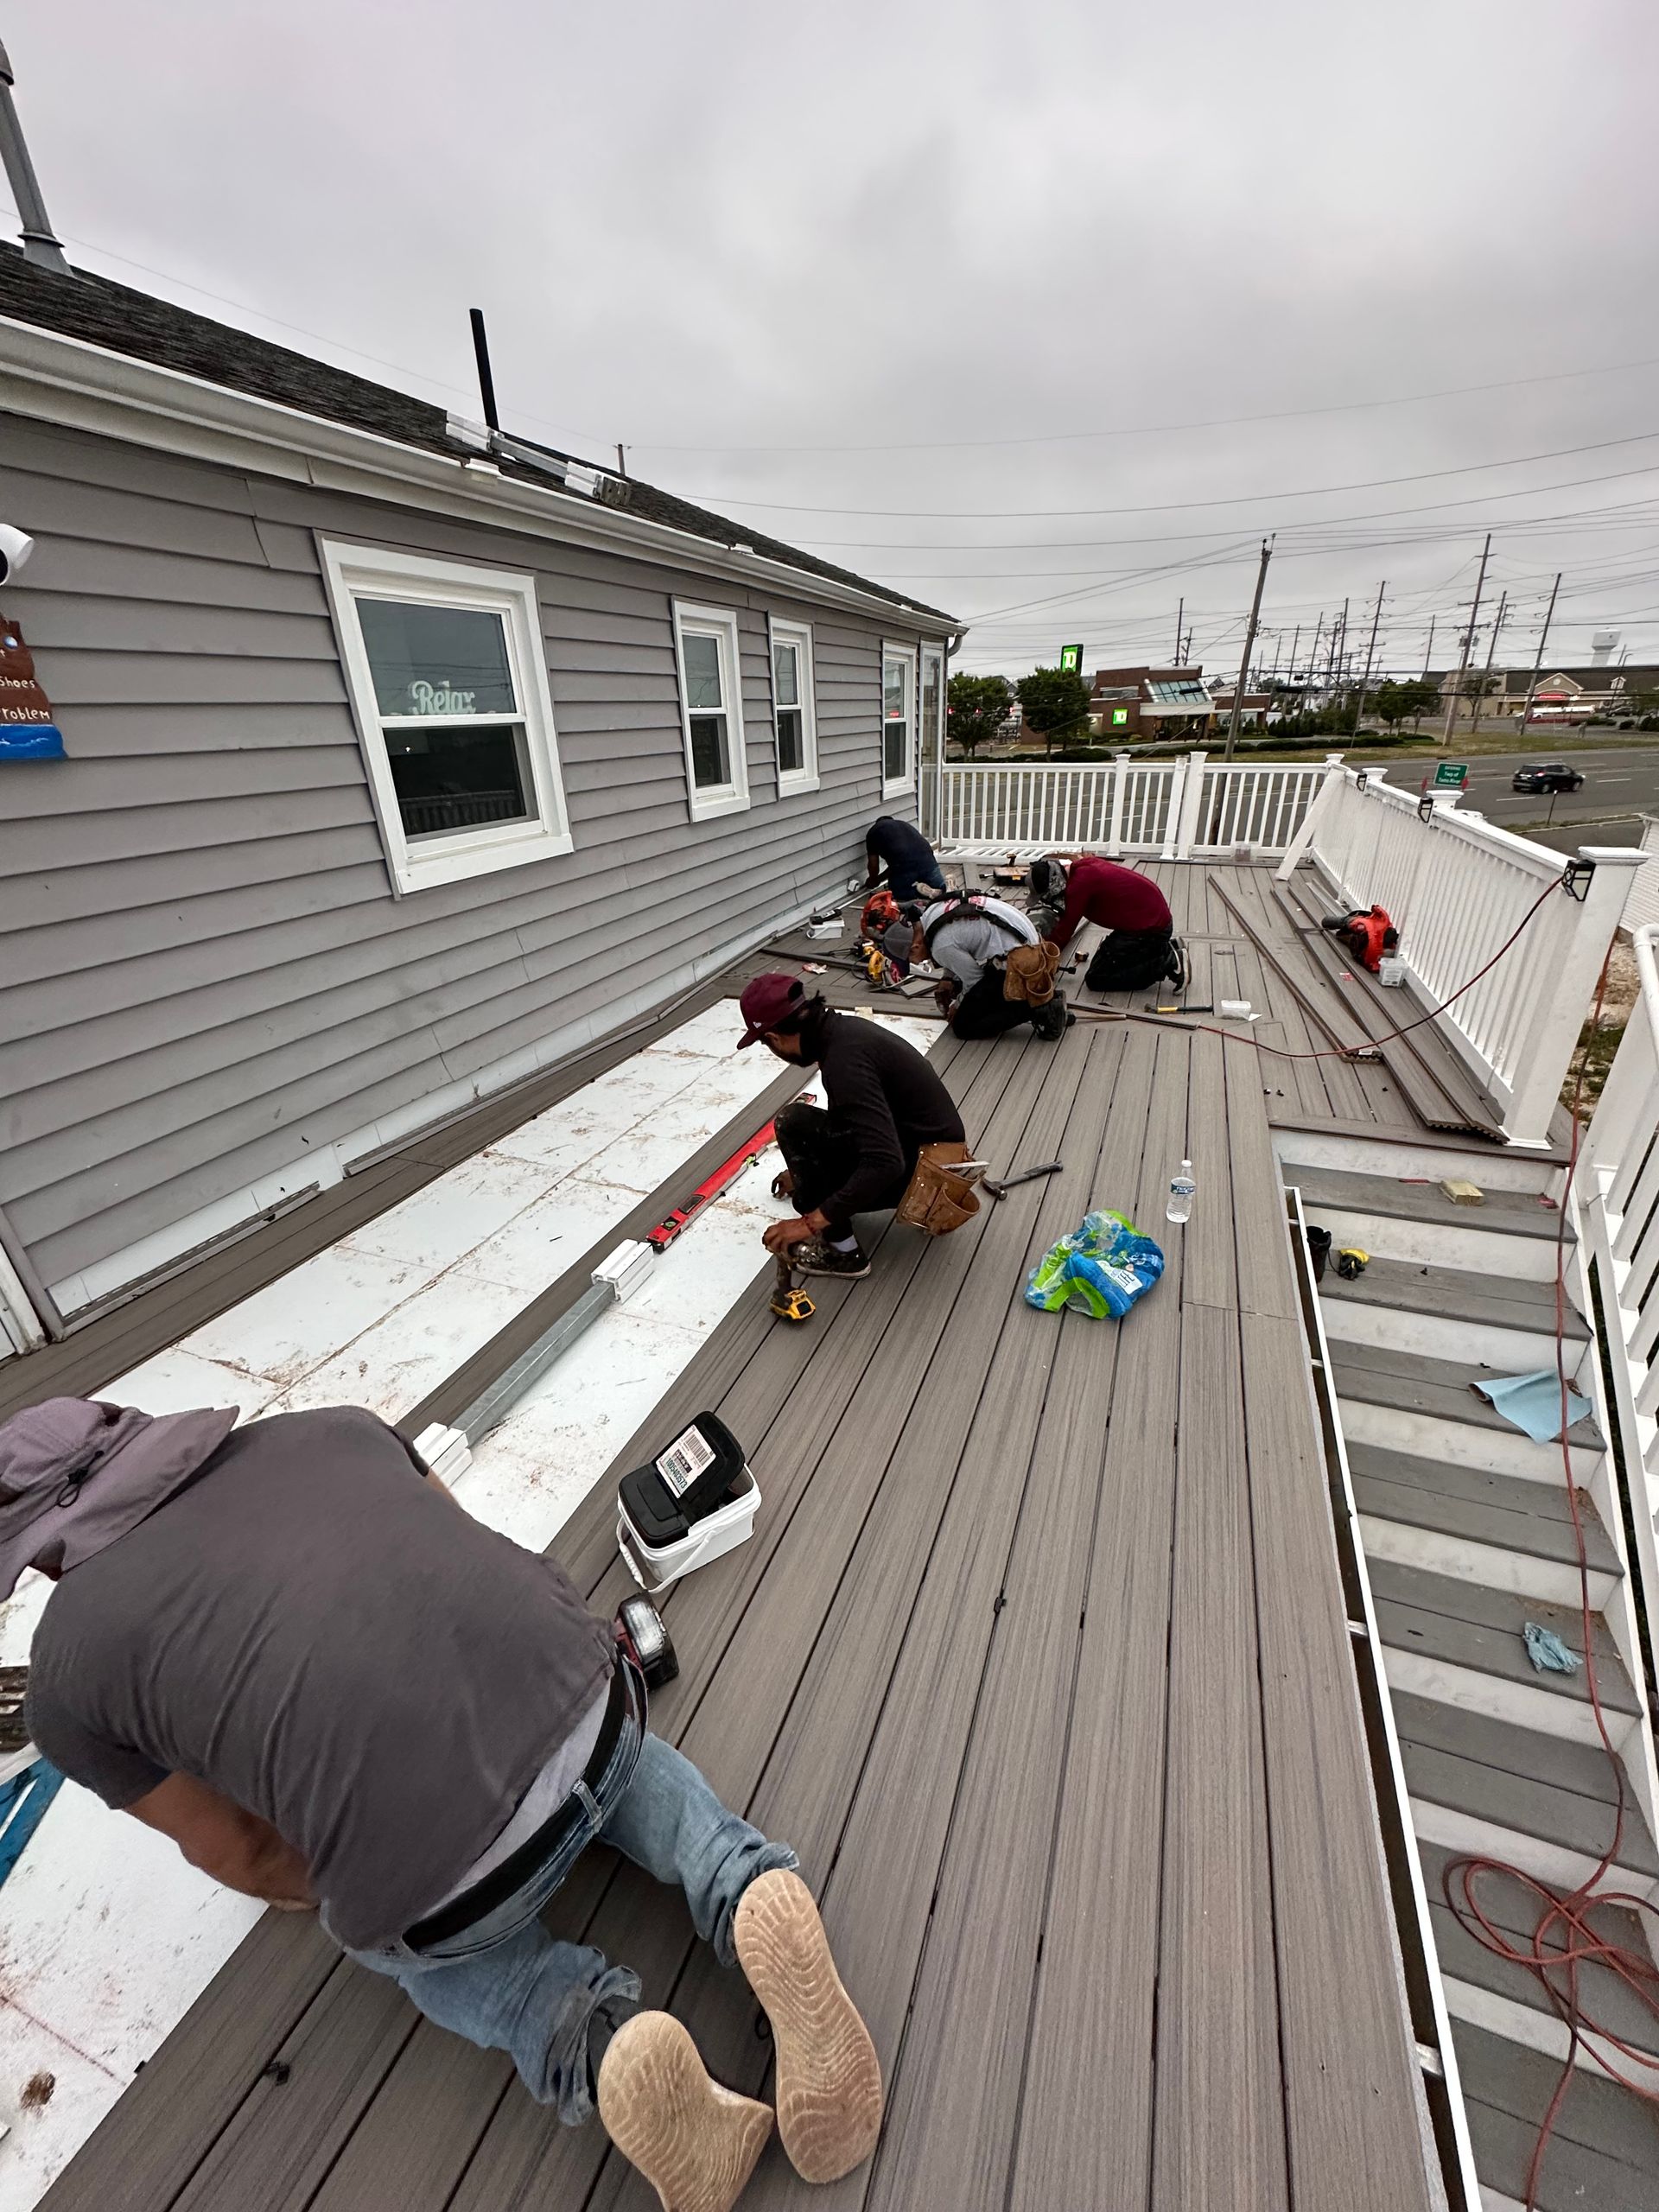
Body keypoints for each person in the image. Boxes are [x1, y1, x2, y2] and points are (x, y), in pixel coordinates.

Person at [8, 1395, 882, 2212]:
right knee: (592, 1738)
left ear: (43, 1549)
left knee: (397, 1942)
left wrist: (355, 1866)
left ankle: (595, 2040)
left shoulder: (67, 1681)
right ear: (141, 1434)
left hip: (454, 1895)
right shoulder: (329, 1428)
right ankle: (744, 1881)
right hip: (597, 1711)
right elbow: (461, 1550)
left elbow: (245, 1853)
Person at [740, 973, 966, 1280]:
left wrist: (807, 1223)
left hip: (928, 1179)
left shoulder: (845, 1063)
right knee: (808, 1176)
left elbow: (885, 1162)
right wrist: (803, 1171)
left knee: (793, 1124)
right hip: (934, 1157)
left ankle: (844, 1253)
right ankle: (823, 1199)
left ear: (774, 1038)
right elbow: (851, 1125)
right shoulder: (843, 1033)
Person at [886, 894, 1069, 1042]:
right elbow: (957, 940)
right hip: (1024, 942)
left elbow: (974, 979)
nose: (916, 963)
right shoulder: (931, 913)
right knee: (965, 990)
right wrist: (948, 978)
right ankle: (1044, 997)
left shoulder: (941, 947)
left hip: (1022, 961)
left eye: (911, 960)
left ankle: (1040, 1009)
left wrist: (957, 1005)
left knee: (964, 1026)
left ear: (915, 947)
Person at [1033, 853, 1180, 993]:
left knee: (1097, 978)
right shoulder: (1083, 867)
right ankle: (1166, 948)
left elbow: (1064, 932)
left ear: (1055, 885)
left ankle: (1170, 963)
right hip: (1151, 922)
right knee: (1103, 963)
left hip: (1152, 929)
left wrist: (1040, 961)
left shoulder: (1079, 885)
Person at [864, 814, 944, 903]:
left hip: (905, 865)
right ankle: (947, 889)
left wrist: (873, 879)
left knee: (898, 892)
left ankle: (918, 893)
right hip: (927, 859)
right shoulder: (903, 825)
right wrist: (878, 879)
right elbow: (893, 867)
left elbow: (873, 865)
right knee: (939, 887)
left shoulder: (873, 832)